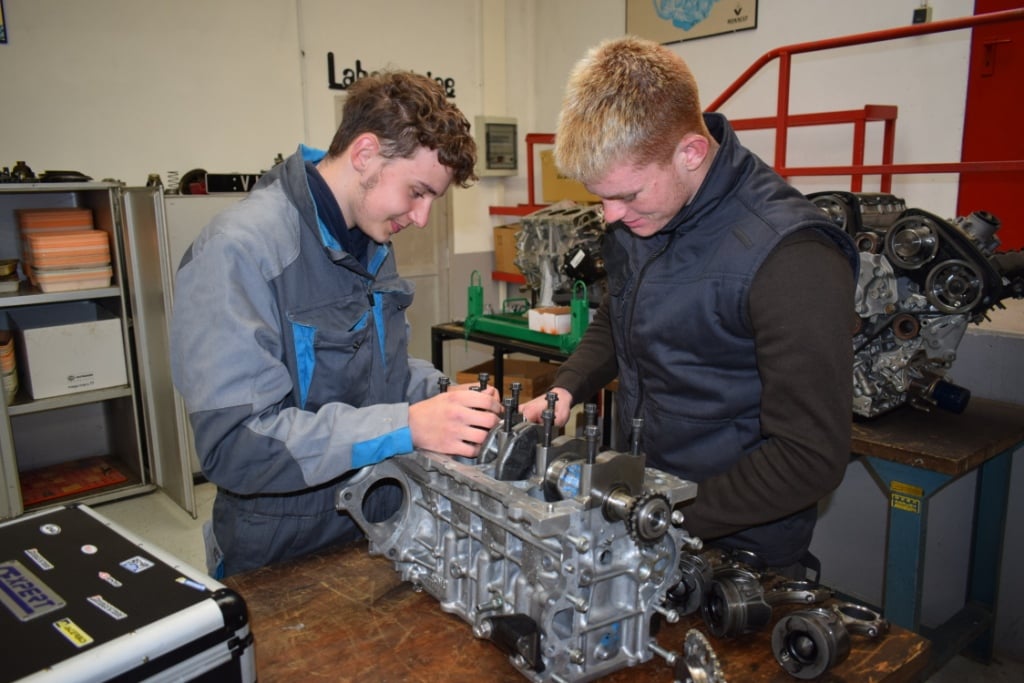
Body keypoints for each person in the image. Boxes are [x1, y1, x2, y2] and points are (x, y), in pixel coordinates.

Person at [520, 37, 859, 577]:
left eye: (626, 195)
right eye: (600, 197)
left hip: (738, 547)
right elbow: (619, 316)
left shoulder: (791, 256)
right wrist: (567, 388)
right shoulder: (645, 217)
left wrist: (664, 518)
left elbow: (809, 456)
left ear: (691, 153)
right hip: (642, 506)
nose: (610, 216)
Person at [170, 71, 502, 578]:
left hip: (375, 520)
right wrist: (408, 425)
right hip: (281, 551)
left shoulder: (370, 239)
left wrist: (447, 399)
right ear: (365, 153)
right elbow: (236, 445)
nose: (421, 218)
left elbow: (375, 367)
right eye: (417, 192)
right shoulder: (238, 252)